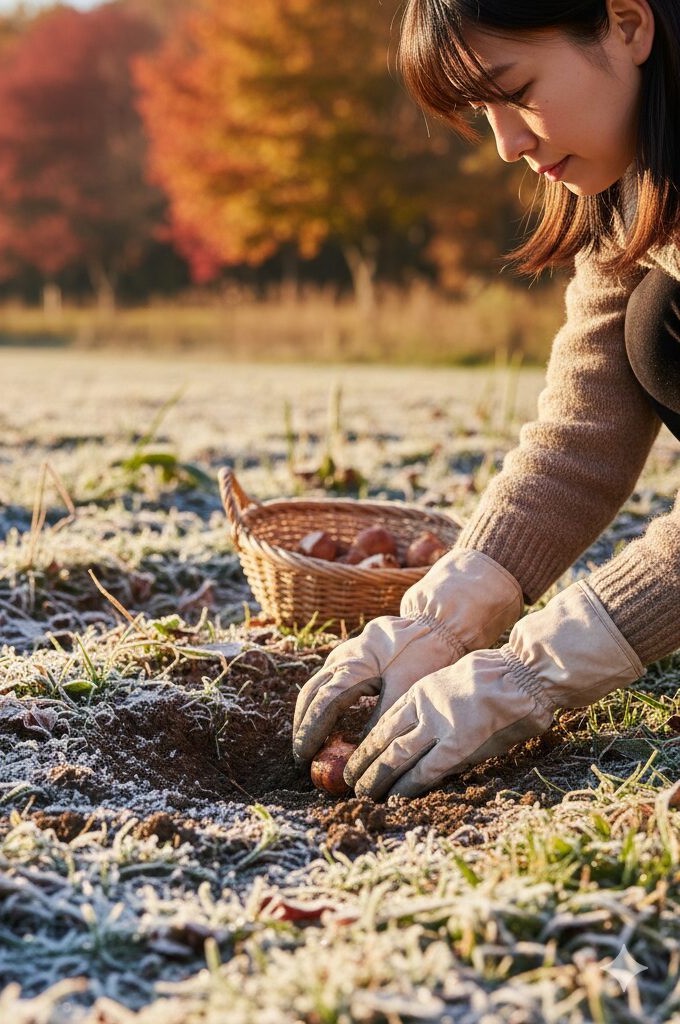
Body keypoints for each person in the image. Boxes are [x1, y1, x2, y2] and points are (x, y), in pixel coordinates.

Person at [291, 0, 680, 801]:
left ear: (627, 24)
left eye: (518, 90)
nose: (508, 144)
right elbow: (585, 425)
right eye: (483, 112)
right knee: (655, 326)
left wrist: (537, 666)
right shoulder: (632, 178)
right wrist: (450, 612)